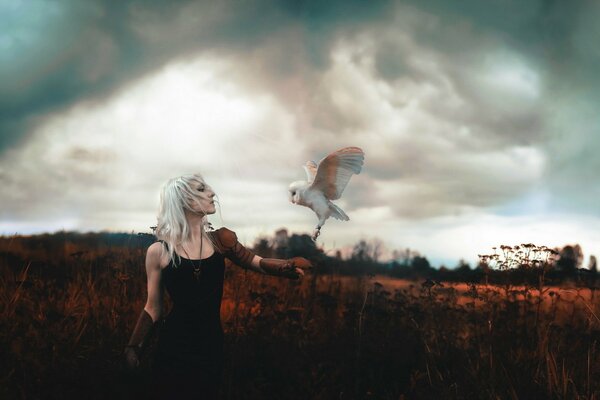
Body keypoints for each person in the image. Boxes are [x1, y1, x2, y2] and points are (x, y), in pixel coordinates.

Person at [124, 173, 312, 399]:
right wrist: (134, 347)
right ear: (184, 200)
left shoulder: (221, 241)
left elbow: (256, 262)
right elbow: (153, 308)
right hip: (173, 346)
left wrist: (285, 266)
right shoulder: (159, 252)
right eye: (202, 189)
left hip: (210, 345)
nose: (212, 192)